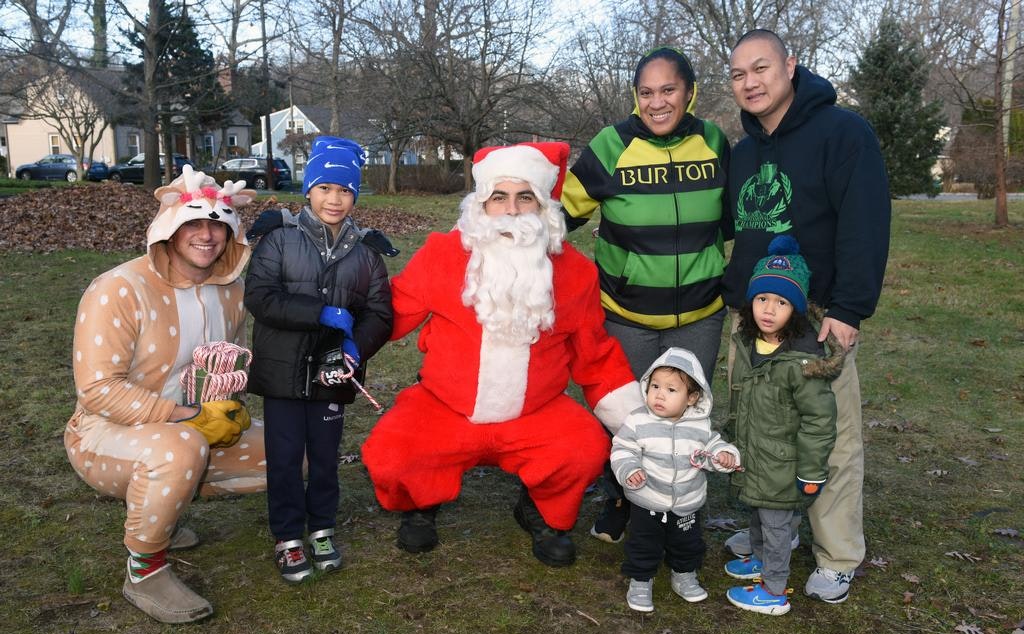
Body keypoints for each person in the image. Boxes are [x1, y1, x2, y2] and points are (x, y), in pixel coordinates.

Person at [361, 141, 640, 567]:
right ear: (481, 205)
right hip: (445, 407)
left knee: (585, 447)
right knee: (389, 454)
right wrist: (343, 343)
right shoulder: (442, 254)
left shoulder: (575, 272)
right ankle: (422, 503)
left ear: (542, 206)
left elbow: (595, 354)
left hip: (536, 414)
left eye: (524, 197)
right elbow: (390, 313)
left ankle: (540, 509)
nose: (511, 210)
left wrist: (636, 423)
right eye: (499, 197)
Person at [723, 29, 890, 604]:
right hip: (754, 317)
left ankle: (837, 553)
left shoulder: (843, 134)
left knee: (829, 437)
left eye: (761, 68)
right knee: (761, 429)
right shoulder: (743, 152)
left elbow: (865, 225)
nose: (751, 82)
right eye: (739, 74)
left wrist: (848, 310)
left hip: (817, 318)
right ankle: (776, 528)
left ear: (791, 66)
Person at [65, 166, 265, 623]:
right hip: (106, 435)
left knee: (296, 453)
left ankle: (164, 510)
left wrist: (227, 406)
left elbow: (227, 363)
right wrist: (185, 416)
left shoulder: (232, 292)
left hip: (194, 426)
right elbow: (97, 389)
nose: (207, 235)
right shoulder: (118, 289)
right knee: (181, 447)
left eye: (218, 224)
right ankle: (145, 569)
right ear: (168, 229)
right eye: (194, 222)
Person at [560, 46, 732, 544]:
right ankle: (622, 500)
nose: (657, 102)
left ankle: (684, 508)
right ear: (636, 97)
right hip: (626, 313)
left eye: (669, 90)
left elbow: (735, 218)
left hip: (700, 313)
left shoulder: (715, 142)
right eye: (646, 92)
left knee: (687, 410)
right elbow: (562, 216)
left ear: (690, 92)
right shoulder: (612, 145)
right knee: (632, 415)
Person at [244, 136, 393, 583]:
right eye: (326, 187)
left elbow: (380, 313)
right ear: (308, 190)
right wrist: (319, 313)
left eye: (345, 190)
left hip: (333, 372)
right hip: (283, 372)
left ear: (355, 196)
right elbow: (260, 297)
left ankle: (322, 527)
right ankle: (288, 536)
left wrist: (356, 345)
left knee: (325, 455)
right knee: (286, 454)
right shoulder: (279, 239)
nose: (335, 199)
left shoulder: (367, 251)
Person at [722, 236, 843, 615]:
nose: (768, 310)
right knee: (758, 513)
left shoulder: (801, 362)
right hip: (757, 458)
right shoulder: (749, 344)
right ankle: (759, 561)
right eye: (762, 299)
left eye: (781, 302)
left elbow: (819, 419)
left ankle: (774, 591)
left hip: (785, 463)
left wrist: (811, 470)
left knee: (776, 527)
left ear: (797, 309)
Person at [610, 347, 740, 613]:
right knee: (643, 543)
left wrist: (724, 455)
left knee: (687, 543)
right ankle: (641, 580)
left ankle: (684, 575)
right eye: (655, 385)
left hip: (687, 501)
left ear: (692, 397)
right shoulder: (637, 421)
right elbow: (622, 449)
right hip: (648, 498)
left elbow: (711, 448)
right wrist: (629, 469)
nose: (659, 394)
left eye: (671, 390)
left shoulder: (699, 426)